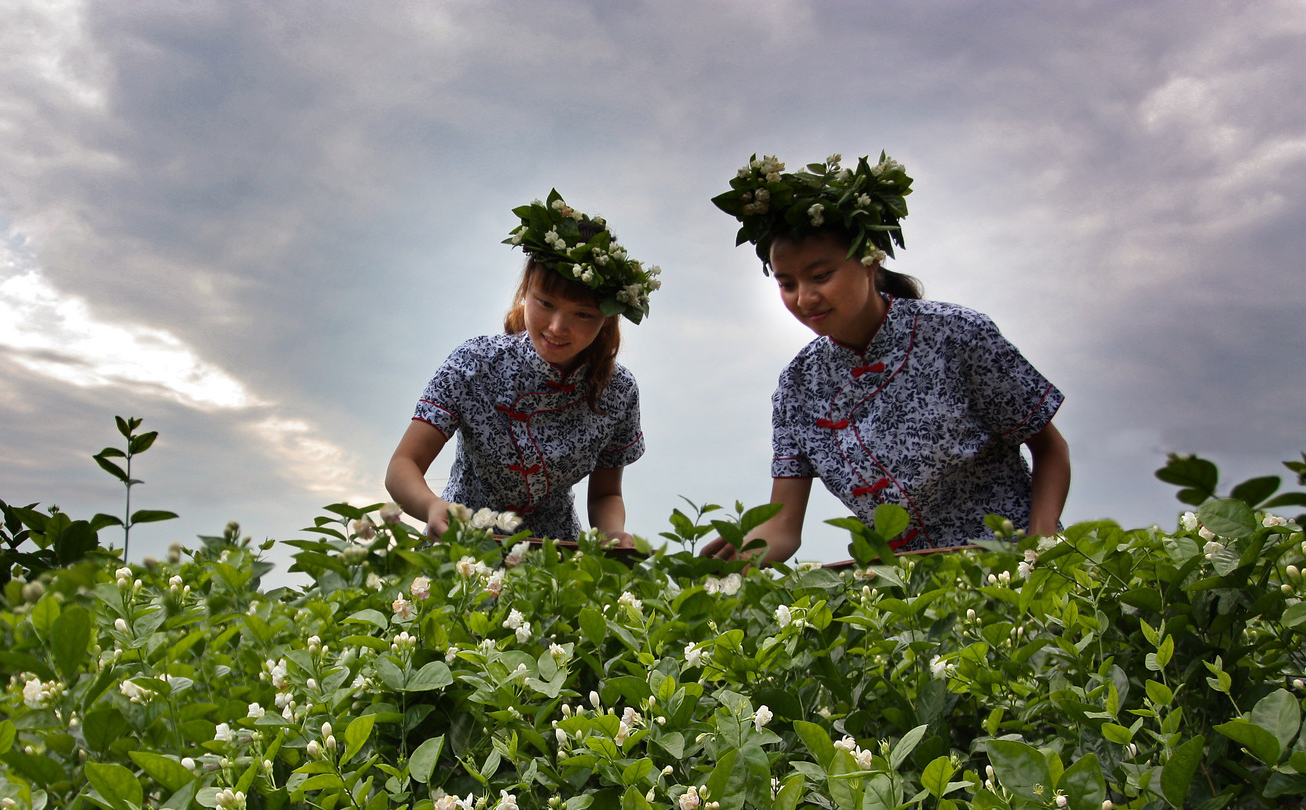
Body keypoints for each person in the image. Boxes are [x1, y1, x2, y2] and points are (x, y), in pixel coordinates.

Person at [703, 153, 1070, 565]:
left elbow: (1050, 449)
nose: (804, 298)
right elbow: (785, 527)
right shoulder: (797, 386)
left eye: (820, 276)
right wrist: (745, 551)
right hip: (903, 594)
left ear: (870, 260)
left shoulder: (956, 333)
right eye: (787, 284)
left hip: (1008, 571)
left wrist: (1039, 551)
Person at [385, 190, 660, 544]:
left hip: (554, 559)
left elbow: (606, 494)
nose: (558, 327)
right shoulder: (475, 365)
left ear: (607, 319)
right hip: (464, 548)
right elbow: (402, 466)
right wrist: (431, 506)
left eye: (583, 315)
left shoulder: (617, 392)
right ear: (525, 291)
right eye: (545, 303)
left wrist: (612, 535)